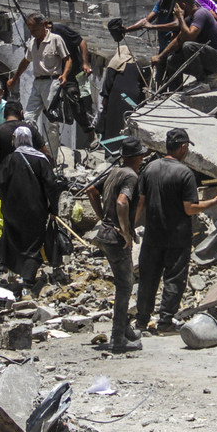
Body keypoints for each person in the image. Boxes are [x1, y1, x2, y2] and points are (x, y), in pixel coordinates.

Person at [135, 129, 217, 331]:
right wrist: (214, 201)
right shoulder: (185, 173)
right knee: (174, 279)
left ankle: (141, 321)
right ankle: (165, 322)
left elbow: (140, 202)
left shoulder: (149, 169)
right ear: (183, 147)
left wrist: (130, 227)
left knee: (148, 278)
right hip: (176, 236)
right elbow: (190, 208)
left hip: (152, 234)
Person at [85, 137, 150, 352]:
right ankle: (117, 337)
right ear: (139, 157)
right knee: (125, 286)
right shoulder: (131, 176)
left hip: (104, 233)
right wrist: (124, 231)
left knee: (125, 281)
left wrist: (103, 217)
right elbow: (122, 202)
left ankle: (125, 330)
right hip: (115, 238)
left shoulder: (114, 172)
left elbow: (91, 191)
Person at [0, 126, 61, 293]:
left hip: (12, 210)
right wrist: (53, 208)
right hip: (36, 210)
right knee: (33, 244)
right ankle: (28, 279)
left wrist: (5, 200)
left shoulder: (10, 159)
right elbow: (51, 185)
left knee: (14, 239)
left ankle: (14, 273)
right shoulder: (41, 160)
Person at [7, 13, 71, 162]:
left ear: (43, 25)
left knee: (52, 124)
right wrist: (14, 78)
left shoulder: (55, 40)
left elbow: (68, 59)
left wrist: (65, 75)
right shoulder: (32, 42)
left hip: (52, 82)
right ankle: (30, 152)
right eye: (30, 30)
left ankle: (52, 158)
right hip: (37, 83)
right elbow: (25, 61)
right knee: (28, 119)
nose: (32, 33)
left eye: (34, 29)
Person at [152, 0, 217, 91]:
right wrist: (160, 56)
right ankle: (176, 90)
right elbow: (179, 39)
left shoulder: (201, 13)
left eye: (176, 7)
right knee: (172, 61)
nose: (174, 10)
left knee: (188, 46)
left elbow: (190, 35)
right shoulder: (190, 19)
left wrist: (180, 17)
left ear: (183, 5)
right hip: (207, 60)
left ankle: (203, 82)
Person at [45, 19, 94, 133]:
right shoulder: (38, 38)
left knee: (75, 100)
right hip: (54, 75)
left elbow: (81, 42)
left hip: (72, 73)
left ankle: (90, 132)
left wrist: (85, 63)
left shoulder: (60, 30)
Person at [0, 100, 49, 187]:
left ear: (4, 114)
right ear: (21, 113)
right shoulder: (29, 129)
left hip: (6, 181)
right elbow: (45, 154)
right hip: (29, 180)